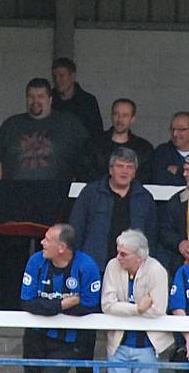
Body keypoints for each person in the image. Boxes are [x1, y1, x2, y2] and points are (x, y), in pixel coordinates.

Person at [0, 77, 92, 310]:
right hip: (15, 200)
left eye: (41, 96)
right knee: (13, 258)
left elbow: (87, 156)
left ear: (50, 99)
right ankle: (11, 305)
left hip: (53, 200)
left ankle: (48, 301)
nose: (36, 101)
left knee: (50, 253)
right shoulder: (11, 124)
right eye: (31, 96)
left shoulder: (69, 123)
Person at [21, 223, 101, 373]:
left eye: (47, 240)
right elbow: (27, 303)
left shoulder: (87, 266)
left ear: (61, 248)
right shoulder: (36, 261)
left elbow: (89, 306)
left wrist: (46, 307)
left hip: (71, 340)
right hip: (36, 337)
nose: (42, 243)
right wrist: (64, 304)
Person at [70, 148, 157, 271]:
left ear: (135, 173)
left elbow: (152, 236)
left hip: (132, 269)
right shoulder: (91, 193)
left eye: (129, 167)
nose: (124, 171)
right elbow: (76, 229)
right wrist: (76, 263)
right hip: (95, 267)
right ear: (111, 169)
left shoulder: (144, 198)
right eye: (120, 166)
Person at [102, 229, 174, 372]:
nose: (118, 257)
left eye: (123, 254)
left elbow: (157, 310)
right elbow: (107, 305)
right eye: (118, 252)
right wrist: (138, 308)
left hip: (147, 347)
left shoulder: (157, 270)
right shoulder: (112, 265)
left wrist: (122, 308)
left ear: (139, 258)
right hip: (117, 346)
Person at [94, 99, 154, 183]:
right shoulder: (94, 144)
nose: (119, 119)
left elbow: (146, 177)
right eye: (116, 114)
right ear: (111, 116)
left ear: (132, 119)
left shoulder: (143, 148)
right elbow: (86, 173)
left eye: (125, 115)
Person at [51, 57, 103, 141]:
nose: (57, 80)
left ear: (72, 76)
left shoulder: (88, 102)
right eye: (54, 76)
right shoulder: (48, 100)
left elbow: (96, 134)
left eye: (61, 76)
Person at [159, 156, 189, 277]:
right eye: (184, 170)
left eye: (188, 170)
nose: (185, 174)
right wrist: (179, 243)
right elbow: (164, 230)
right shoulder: (177, 201)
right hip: (183, 267)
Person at [153, 111, 189, 185]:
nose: (175, 133)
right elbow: (159, 180)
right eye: (172, 129)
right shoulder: (162, 152)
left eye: (181, 129)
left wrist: (178, 170)